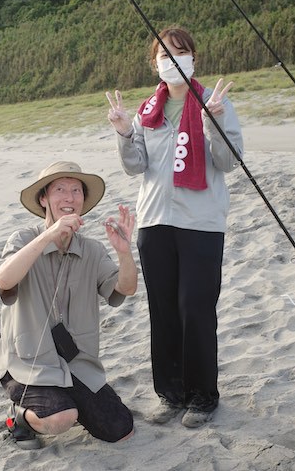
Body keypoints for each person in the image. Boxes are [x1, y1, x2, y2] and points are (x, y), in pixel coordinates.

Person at [105, 26, 243, 429]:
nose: (173, 60)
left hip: (201, 223)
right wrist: (122, 131)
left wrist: (212, 123)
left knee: (195, 309)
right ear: (155, 64)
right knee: (163, 311)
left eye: (180, 53)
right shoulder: (147, 110)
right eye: (165, 55)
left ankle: (203, 396)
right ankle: (171, 393)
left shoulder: (214, 104)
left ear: (194, 59)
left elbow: (228, 161)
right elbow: (136, 166)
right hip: (154, 222)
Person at [0, 160, 138, 449]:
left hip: (75, 363)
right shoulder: (23, 239)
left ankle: (66, 400)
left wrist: (124, 252)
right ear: (44, 199)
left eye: (76, 190)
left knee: (120, 429)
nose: (69, 197)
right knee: (61, 417)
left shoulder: (92, 249)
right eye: (60, 189)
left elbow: (126, 288)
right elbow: (4, 279)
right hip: (28, 361)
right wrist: (50, 234)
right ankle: (19, 417)